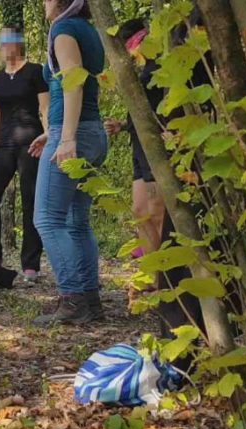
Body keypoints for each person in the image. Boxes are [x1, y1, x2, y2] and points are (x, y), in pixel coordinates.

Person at [29, 0, 107, 326]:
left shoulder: (63, 29)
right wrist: (54, 134)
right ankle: (89, 299)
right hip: (91, 131)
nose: (43, 2)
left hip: (75, 133)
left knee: (47, 219)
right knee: (76, 222)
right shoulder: (86, 29)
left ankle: (73, 298)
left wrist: (66, 137)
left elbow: (73, 81)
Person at [0, 27, 49, 286]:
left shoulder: (35, 71)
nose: (6, 45)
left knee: (30, 200)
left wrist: (49, 135)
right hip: (4, 146)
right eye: (2, 41)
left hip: (32, 143)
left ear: (20, 43)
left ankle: (30, 264)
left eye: (11, 40)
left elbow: (44, 107)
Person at [103, 20, 165, 261]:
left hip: (155, 143)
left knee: (156, 212)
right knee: (140, 211)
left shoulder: (155, 61)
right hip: (139, 143)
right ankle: (151, 275)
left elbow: (161, 106)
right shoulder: (138, 68)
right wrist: (123, 125)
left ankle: (162, 284)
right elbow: (143, 109)